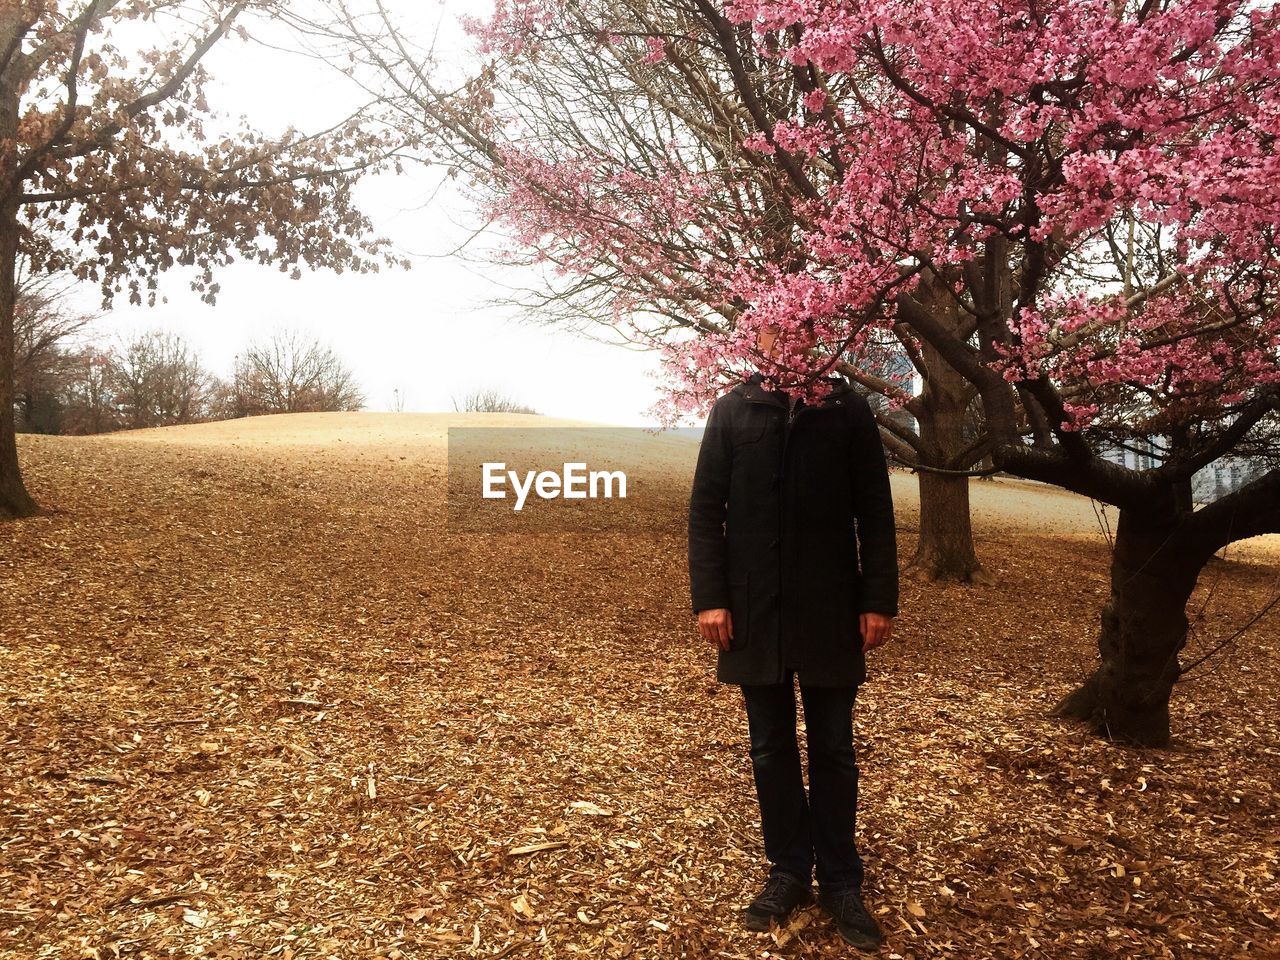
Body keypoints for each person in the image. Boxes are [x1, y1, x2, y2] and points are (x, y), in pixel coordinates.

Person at [687, 323, 899, 951]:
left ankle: (840, 881)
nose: (791, 342)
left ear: (818, 334)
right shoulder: (732, 409)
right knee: (770, 748)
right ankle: (787, 870)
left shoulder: (847, 410)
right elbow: (705, 510)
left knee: (834, 748)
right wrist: (712, 598)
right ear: (760, 338)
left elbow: (876, 510)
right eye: (778, 331)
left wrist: (879, 599)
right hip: (755, 611)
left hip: (832, 607)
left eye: (804, 330)